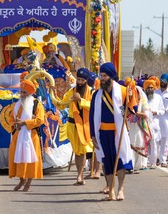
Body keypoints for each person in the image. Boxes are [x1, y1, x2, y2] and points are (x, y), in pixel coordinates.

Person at [89, 62, 133, 201]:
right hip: (102, 133)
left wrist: (130, 99)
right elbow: (91, 116)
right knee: (107, 162)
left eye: (105, 75)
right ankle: (111, 189)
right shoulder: (96, 94)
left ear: (111, 76)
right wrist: (93, 135)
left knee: (119, 162)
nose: (102, 78)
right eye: (101, 75)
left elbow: (132, 111)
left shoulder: (124, 91)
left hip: (117, 132)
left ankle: (120, 189)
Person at [57, 68, 94, 185]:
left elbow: (94, 107)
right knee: (77, 152)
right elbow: (62, 106)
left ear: (86, 81)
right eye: (78, 79)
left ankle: (79, 176)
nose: (79, 82)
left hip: (85, 126)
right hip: (73, 126)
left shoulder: (92, 92)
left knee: (83, 151)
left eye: (82, 80)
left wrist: (80, 100)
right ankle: (80, 174)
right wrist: (52, 94)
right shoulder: (71, 91)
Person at [8, 79, 44, 192]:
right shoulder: (16, 105)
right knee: (18, 158)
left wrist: (24, 123)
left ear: (30, 93)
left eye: (25, 92)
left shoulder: (36, 104)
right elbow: (10, 119)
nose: (22, 95)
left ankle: (28, 182)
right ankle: (21, 179)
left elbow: (40, 120)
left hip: (31, 135)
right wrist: (15, 124)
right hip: (18, 134)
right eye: (21, 92)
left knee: (30, 160)